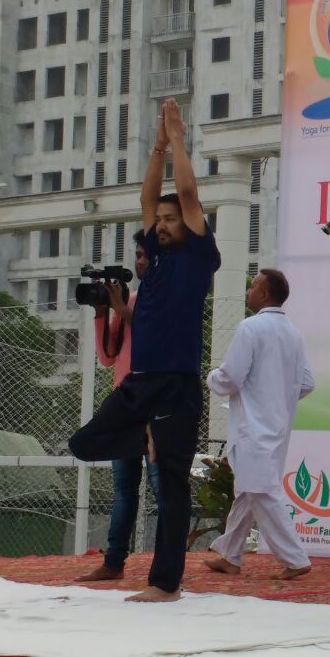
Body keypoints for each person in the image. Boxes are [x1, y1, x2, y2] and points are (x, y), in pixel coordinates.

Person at [69, 98, 220, 602]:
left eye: (171, 219)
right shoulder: (154, 260)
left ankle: (165, 583)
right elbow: (147, 197)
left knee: (171, 488)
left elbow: (187, 193)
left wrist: (177, 141)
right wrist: (156, 148)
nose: (162, 224)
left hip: (175, 385)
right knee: (84, 443)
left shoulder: (198, 256)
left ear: (189, 224)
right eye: (160, 221)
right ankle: (146, 435)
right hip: (139, 384)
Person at [203, 269, 315, 580]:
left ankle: (295, 558)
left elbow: (231, 377)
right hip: (278, 423)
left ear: (264, 294)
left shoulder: (250, 327)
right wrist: (279, 395)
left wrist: (211, 378)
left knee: (261, 491)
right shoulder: (293, 332)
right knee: (248, 490)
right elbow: (307, 382)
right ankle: (230, 554)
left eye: (253, 286)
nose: (248, 291)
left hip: (252, 426)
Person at [75, 230, 162, 583]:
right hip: (125, 405)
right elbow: (108, 357)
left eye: (145, 255)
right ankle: (113, 562)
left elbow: (156, 340)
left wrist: (123, 310)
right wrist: (101, 313)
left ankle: (167, 565)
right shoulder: (131, 299)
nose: (139, 261)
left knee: (162, 489)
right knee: (123, 490)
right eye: (137, 255)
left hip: (155, 405)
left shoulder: (163, 300)